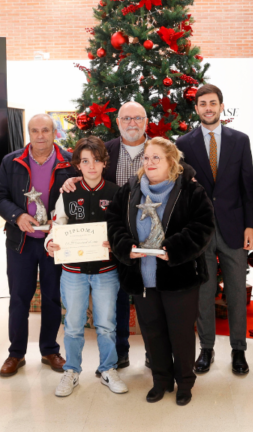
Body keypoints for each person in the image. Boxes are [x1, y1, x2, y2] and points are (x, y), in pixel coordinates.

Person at [107, 137, 215, 406]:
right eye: (146, 157)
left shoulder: (191, 191)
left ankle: (185, 383)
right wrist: (125, 247)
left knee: (180, 333)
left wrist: (174, 249)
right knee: (153, 332)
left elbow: (202, 227)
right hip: (142, 277)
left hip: (179, 276)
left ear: (171, 162)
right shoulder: (130, 191)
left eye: (157, 157)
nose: (150, 162)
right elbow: (114, 222)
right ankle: (161, 380)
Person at [174, 84, 253, 375]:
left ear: (222, 106)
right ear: (196, 108)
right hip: (199, 230)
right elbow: (180, 188)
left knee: (236, 292)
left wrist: (251, 226)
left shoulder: (240, 140)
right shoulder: (183, 143)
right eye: (202, 104)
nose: (208, 108)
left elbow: (248, 185)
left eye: (213, 103)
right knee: (204, 292)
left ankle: (239, 350)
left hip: (235, 227)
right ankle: (206, 349)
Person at [61, 101, 149, 372]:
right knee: (117, 300)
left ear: (146, 121)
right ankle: (119, 355)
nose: (132, 123)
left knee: (149, 296)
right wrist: (70, 182)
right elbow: (82, 171)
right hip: (111, 240)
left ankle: (154, 353)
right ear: (118, 121)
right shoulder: (106, 149)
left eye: (138, 118)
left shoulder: (158, 149)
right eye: (126, 118)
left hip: (148, 233)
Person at [0, 114, 77, 377]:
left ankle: (49, 350)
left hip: (55, 244)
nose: (40, 135)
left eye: (45, 130)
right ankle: (15, 353)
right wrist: (17, 216)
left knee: (52, 297)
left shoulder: (69, 162)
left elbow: (79, 198)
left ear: (54, 133)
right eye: (34, 130)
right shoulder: (11, 161)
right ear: (28, 133)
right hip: (21, 242)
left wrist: (62, 221)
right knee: (19, 298)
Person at [43, 136, 126, 396]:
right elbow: (58, 223)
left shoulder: (115, 192)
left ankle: (108, 369)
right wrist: (50, 243)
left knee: (106, 325)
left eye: (97, 160)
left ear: (104, 163)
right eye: (85, 161)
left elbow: (123, 228)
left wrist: (115, 243)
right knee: (73, 324)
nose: (92, 166)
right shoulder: (68, 191)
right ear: (77, 165)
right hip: (73, 272)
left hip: (106, 271)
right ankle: (72, 371)